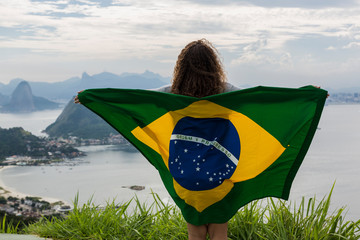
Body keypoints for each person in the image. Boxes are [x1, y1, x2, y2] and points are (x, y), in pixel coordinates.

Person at [75, 39, 239, 240]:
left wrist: (93, 97)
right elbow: (261, 100)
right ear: (214, 66)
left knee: (195, 235)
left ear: (181, 67)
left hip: (185, 175)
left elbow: (134, 98)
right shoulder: (228, 93)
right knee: (219, 234)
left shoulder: (170, 94)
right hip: (218, 173)